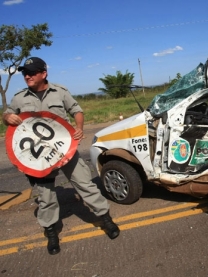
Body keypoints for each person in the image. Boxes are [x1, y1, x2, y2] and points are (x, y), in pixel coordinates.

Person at [2, 57, 120, 255]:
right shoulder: (19, 98)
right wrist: (7, 117)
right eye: (24, 73)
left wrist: (79, 127)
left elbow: (76, 110)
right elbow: (7, 115)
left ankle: (106, 220)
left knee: (85, 185)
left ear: (43, 74)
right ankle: (51, 233)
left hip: (64, 150)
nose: (27, 76)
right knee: (46, 196)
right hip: (38, 157)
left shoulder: (60, 92)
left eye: (31, 72)